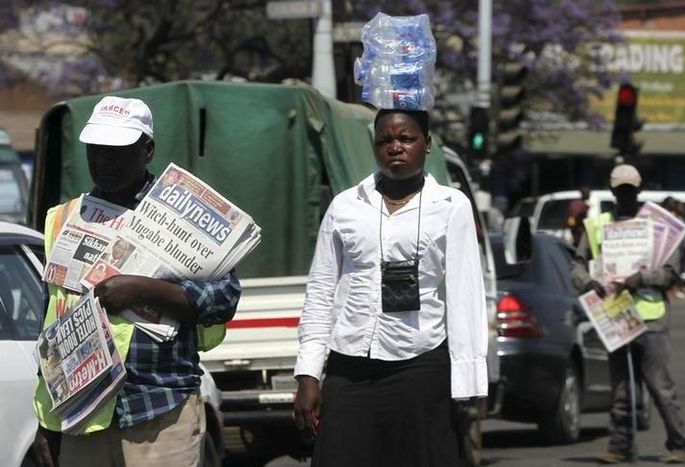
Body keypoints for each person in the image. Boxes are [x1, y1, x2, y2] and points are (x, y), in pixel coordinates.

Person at [32, 96, 242, 467]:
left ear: (147, 150)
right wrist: (47, 422)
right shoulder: (64, 218)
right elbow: (53, 321)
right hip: (83, 414)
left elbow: (223, 298)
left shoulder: (181, 217)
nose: (103, 161)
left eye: (117, 151)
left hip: (160, 409)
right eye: (96, 150)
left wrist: (146, 290)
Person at [293, 109, 488, 467]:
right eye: (385, 140)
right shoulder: (346, 206)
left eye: (406, 138)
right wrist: (308, 374)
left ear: (426, 144)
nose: (395, 147)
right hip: (349, 365)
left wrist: (467, 383)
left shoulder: (451, 205)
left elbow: (466, 296)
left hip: (419, 364)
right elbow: (321, 289)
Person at [571, 164, 685, 464]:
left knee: (659, 386)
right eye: (621, 190)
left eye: (630, 190)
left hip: (651, 317)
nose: (625, 195)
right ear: (613, 191)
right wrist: (589, 283)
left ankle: (679, 445)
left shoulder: (657, 226)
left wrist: (642, 279)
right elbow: (577, 265)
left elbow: (670, 271)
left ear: (638, 190)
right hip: (615, 315)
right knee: (622, 389)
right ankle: (620, 447)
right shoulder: (597, 226)